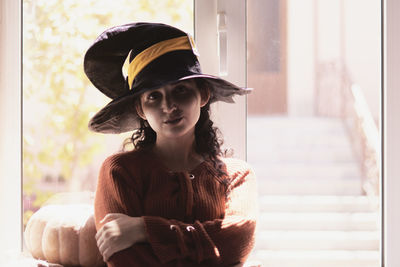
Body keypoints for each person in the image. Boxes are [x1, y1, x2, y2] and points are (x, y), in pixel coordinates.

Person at [84, 22, 258, 267]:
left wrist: (144, 230)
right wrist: (209, 246)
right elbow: (125, 259)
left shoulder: (237, 175)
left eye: (181, 90)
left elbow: (237, 239)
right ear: (140, 108)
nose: (169, 106)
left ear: (203, 95)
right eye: (154, 96)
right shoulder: (119, 172)